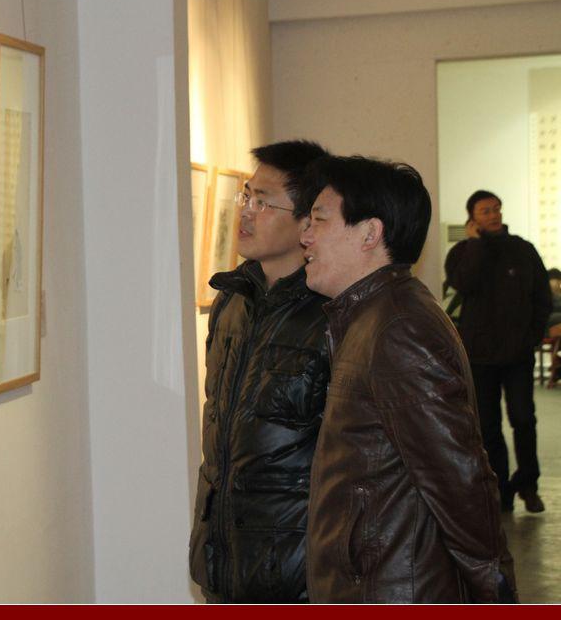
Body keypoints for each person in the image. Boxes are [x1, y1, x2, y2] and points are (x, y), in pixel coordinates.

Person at [300, 156, 516, 603]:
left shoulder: (398, 328)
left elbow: (459, 480)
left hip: (395, 590)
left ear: (369, 233)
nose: (305, 235)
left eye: (319, 219)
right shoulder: (369, 317)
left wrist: (498, 595)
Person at [188, 140, 331, 603]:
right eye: (246, 196)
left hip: (297, 573)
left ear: (308, 221)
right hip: (222, 563)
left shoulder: (333, 313)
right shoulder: (232, 300)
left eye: (263, 202)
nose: (245, 212)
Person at [444, 190, 552, 514]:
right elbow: (463, 283)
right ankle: (500, 489)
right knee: (488, 426)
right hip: (480, 357)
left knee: (523, 419)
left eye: (496, 209)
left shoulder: (523, 250)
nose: (493, 215)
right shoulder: (463, 252)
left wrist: (532, 337)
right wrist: (476, 244)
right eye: (485, 211)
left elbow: (542, 297)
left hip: (518, 355)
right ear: (472, 218)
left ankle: (528, 485)